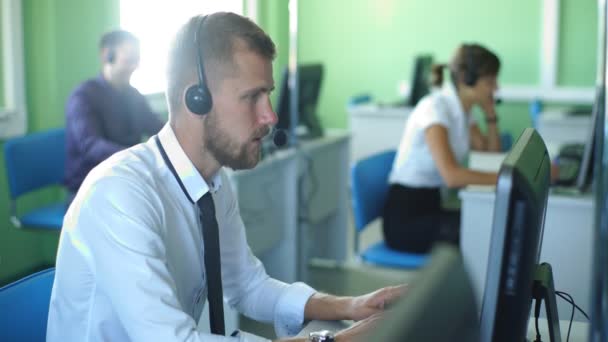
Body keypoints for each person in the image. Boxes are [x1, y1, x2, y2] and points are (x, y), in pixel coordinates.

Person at [48, 13, 403, 342]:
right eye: (252, 97)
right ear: (197, 100)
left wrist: (353, 306)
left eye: (269, 94)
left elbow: (248, 286)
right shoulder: (118, 195)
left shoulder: (212, 183)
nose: (270, 116)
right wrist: (335, 340)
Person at [383, 43, 503, 255]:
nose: (496, 88)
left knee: (490, 224)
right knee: (484, 233)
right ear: (467, 79)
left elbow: (489, 155)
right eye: (490, 81)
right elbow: (452, 176)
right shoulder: (435, 109)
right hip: (406, 219)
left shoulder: (464, 111)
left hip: (431, 206)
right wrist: (507, 178)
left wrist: (491, 115)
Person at [64, 30, 164, 204]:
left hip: (128, 177)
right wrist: (137, 156)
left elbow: (157, 127)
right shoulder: (83, 96)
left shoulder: (134, 95)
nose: (134, 66)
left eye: (137, 60)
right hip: (90, 187)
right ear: (106, 56)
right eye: (129, 59)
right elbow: (91, 146)